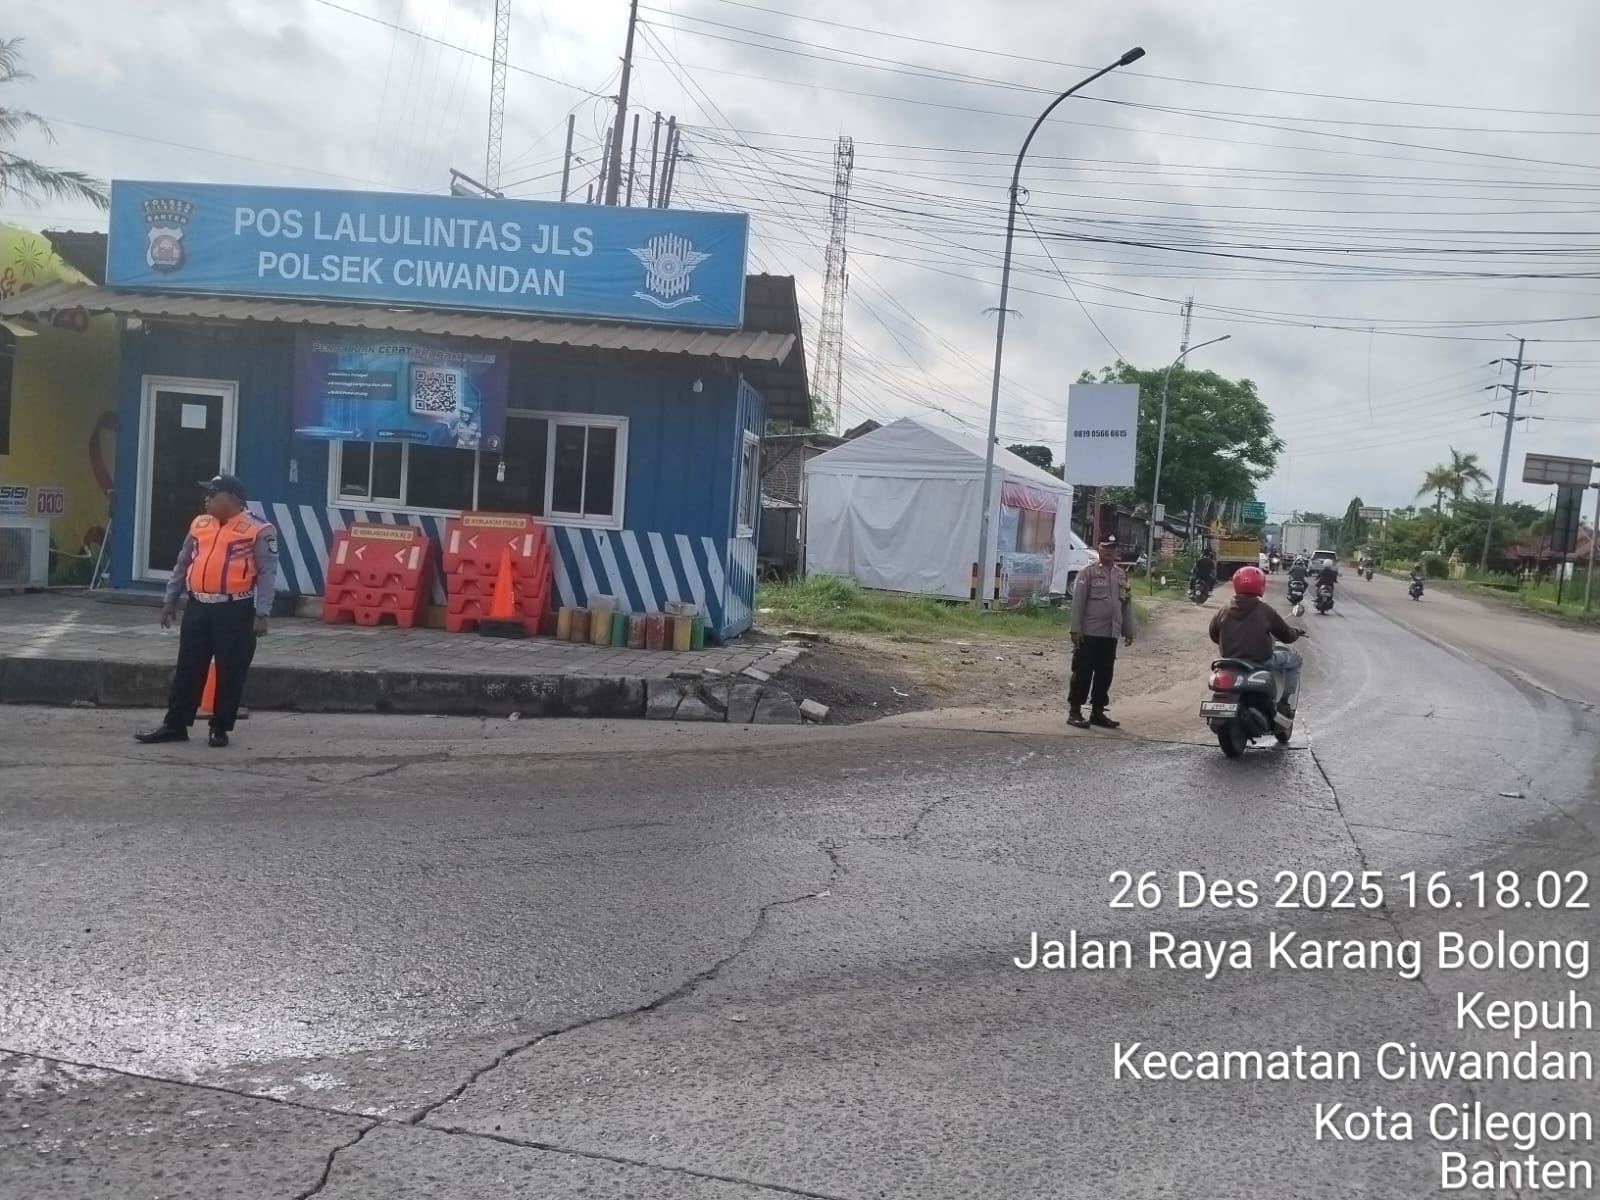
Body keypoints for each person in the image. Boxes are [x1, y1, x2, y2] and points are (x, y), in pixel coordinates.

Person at [135, 475, 278, 748]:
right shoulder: (200, 524)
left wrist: (262, 613)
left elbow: (267, 573)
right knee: (188, 667)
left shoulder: (258, 529)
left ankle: (220, 727)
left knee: (230, 670)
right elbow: (182, 563)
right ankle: (175, 724)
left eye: (213, 494)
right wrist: (170, 600)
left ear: (233, 498)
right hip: (198, 606)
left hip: (235, 609)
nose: (207, 499)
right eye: (207, 494)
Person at [1209, 565, 1308, 716]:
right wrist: (1296, 632)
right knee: (1295, 659)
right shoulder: (1265, 610)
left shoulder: (1224, 609)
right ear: (1260, 585)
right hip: (1260, 662)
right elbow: (1286, 636)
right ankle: (1284, 703)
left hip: (1229, 662)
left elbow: (1214, 635)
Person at [1068, 536, 1134, 729]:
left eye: (1112, 549)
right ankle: (1075, 711)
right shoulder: (1087, 572)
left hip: (1110, 633)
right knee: (1083, 673)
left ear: (1116, 551)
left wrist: (1128, 629)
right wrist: (1075, 629)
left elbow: (1125, 604)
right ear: (1099, 549)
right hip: (1089, 633)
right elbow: (1078, 603)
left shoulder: (1121, 574)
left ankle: (1097, 712)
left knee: (1105, 674)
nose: (1108, 552)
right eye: (1105, 548)